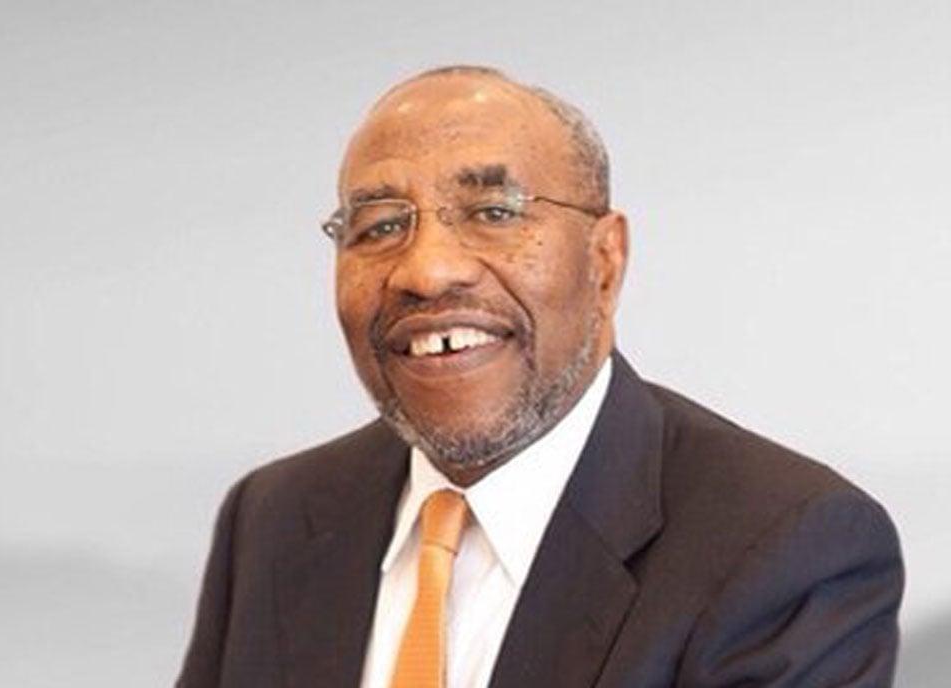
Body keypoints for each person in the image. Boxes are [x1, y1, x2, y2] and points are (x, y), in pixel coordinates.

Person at [176, 66, 904, 687]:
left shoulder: (787, 549)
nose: (428, 271)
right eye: (380, 227)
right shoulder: (273, 519)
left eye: (493, 212)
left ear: (604, 262)